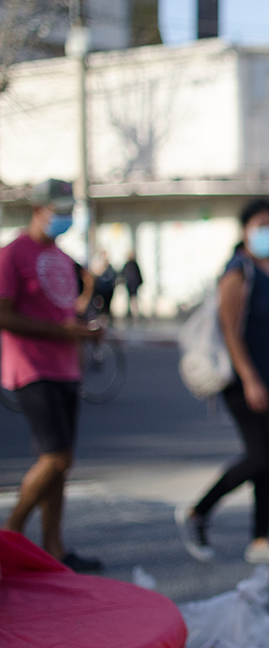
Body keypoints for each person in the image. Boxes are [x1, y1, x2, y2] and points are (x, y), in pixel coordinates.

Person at [175, 198, 269, 567]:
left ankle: (261, 539)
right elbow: (230, 332)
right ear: (245, 230)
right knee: (259, 455)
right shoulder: (238, 272)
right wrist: (250, 380)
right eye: (262, 224)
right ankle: (197, 512)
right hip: (243, 380)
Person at [0, 178, 105, 572]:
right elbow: (3, 314)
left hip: (66, 366)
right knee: (55, 457)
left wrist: (86, 326)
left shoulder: (62, 257)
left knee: (63, 463)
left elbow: (65, 313)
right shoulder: (11, 255)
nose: (64, 218)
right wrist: (62, 331)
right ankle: (9, 534)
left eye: (68, 212)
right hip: (30, 366)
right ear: (38, 210)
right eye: (58, 211)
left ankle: (53, 549)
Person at [90, 250, 117, 322]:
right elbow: (95, 272)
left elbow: (113, 275)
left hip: (108, 287)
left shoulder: (109, 265)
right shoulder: (98, 262)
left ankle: (106, 317)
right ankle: (99, 317)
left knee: (107, 304)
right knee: (98, 303)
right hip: (100, 287)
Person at [121, 252, 143, 320]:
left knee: (133, 298)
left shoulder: (131, 264)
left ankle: (133, 312)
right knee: (132, 298)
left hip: (132, 284)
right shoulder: (131, 264)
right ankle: (132, 311)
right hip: (131, 284)